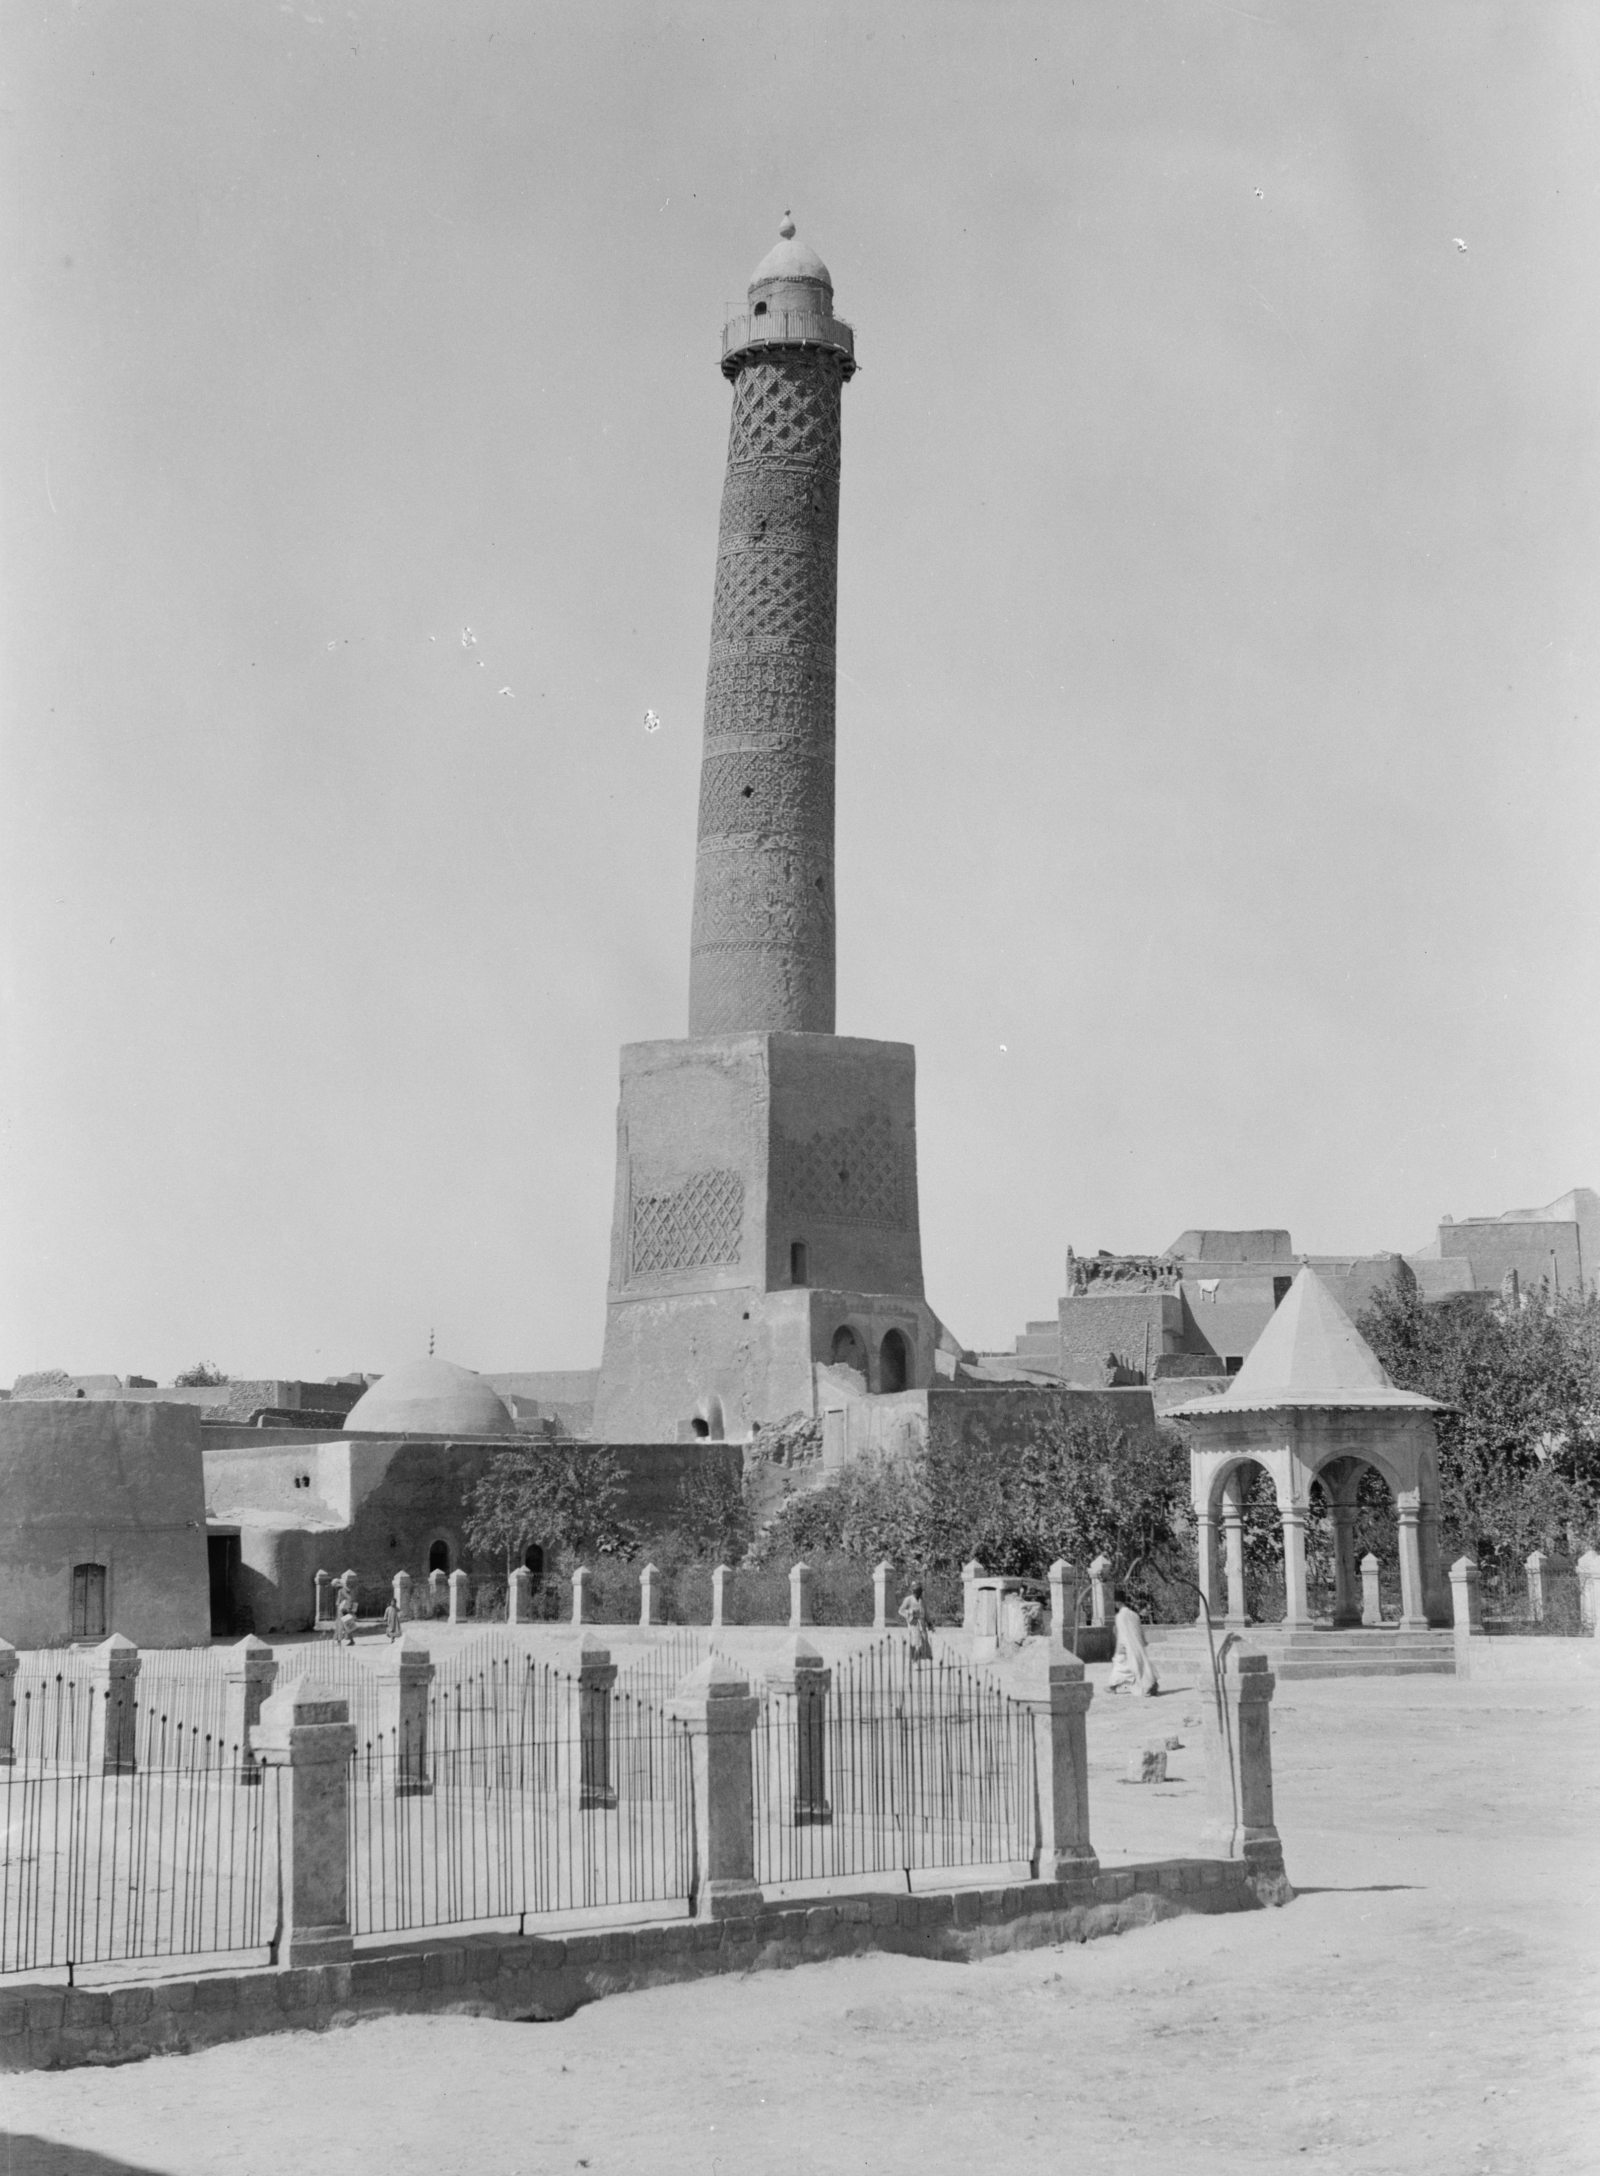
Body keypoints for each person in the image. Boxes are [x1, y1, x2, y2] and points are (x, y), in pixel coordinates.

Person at [1107, 1590, 1159, 1696]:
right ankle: (1149, 1685)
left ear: (1118, 1603)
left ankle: (1113, 1686)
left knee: (1120, 1666)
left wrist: (1119, 1648)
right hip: (1137, 1646)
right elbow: (1139, 1631)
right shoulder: (1134, 1615)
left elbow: (1121, 1634)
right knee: (1138, 1666)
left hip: (1126, 1647)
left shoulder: (1120, 1616)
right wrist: (1143, 1642)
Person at [897, 1581, 934, 1664]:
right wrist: (910, 1613)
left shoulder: (922, 1601)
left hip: (922, 1624)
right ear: (913, 1591)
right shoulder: (908, 1599)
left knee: (924, 1641)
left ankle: (917, 1658)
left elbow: (926, 1614)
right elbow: (900, 1610)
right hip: (913, 1623)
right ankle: (915, 1660)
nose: (918, 1593)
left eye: (919, 1591)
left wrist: (930, 1623)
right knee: (918, 1643)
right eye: (917, 1591)